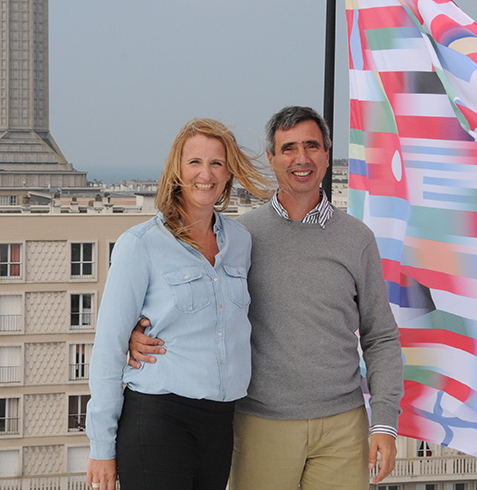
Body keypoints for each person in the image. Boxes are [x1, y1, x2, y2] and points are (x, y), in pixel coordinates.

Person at [130, 106, 404, 489]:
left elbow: (381, 336)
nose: (301, 158)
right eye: (288, 148)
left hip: (343, 426)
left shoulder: (357, 239)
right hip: (260, 425)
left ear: (327, 155)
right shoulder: (240, 238)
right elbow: (202, 312)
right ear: (272, 160)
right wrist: (136, 334)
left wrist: (386, 423)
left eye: (312, 146)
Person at [85, 118, 270, 490]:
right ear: (177, 171)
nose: (206, 174)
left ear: (229, 173)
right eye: (195, 162)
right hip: (158, 419)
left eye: (217, 163)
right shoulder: (141, 245)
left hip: (219, 423)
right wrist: (101, 447)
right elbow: (108, 347)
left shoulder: (240, 241)